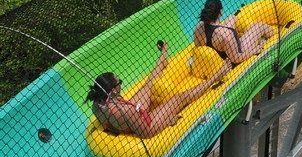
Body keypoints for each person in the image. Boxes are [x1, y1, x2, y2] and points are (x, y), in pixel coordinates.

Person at [86, 41, 230, 138]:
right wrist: (167, 120)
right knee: (179, 97)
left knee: (149, 84)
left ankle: (163, 55)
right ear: (113, 91)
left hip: (127, 119)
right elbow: (145, 132)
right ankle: (215, 77)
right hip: (147, 125)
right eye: (119, 82)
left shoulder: (97, 104)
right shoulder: (125, 111)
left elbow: (113, 123)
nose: (121, 85)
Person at [193, 0, 275, 65]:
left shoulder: (200, 26)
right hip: (234, 57)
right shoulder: (225, 34)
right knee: (258, 26)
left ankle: (237, 36)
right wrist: (254, 51)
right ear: (221, 12)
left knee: (232, 17)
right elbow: (236, 58)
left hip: (219, 51)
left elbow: (199, 46)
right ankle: (277, 34)